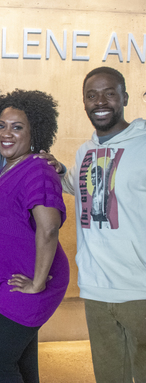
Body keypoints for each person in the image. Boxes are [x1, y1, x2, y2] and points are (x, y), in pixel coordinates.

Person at [0, 89, 69, 383]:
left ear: (35, 131)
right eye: (2, 125)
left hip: (33, 280)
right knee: (22, 362)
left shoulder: (37, 169)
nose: (7, 133)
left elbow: (49, 227)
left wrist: (37, 282)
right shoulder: (7, 168)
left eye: (18, 127)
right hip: (7, 278)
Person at [61, 66, 146, 383]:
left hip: (141, 290)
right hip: (97, 291)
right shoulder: (85, 152)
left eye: (109, 93)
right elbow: (69, 184)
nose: (100, 101)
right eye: (91, 95)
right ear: (83, 102)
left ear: (124, 97)